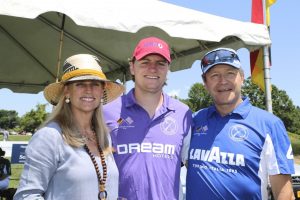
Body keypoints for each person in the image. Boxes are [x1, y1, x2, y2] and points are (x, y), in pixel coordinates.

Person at [186, 48, 295, 200]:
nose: (223, 81)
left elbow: (285, 195)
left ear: (242, 77)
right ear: (205, 82)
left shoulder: (270, 125)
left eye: (230, 73)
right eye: (214, 75)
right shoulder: (193, 120)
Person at [14, 54, 124, 200]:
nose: (88, 90)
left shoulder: (104, 137)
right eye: (80, 84)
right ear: (67, 91)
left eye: (95, 84)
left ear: (102, 90)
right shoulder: (50, 136)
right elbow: (26, 196)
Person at [103, 37, 192, 200]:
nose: (153, 69)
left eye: (160, 63)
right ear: (132, 67)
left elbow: (192, 166)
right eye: (145, 62)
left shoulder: (183, 113)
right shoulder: (107, 113)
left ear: (168, 69)